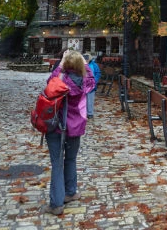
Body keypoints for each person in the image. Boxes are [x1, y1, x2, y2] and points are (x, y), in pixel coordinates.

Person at [44, 50, 95, 216]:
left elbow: (50, 85)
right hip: (75, 126)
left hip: (56, 125)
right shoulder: (85, 81)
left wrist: (61, 63)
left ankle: (56, 204)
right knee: (71, 159)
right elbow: (92, 80)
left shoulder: (60, 78)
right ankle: (70, 192)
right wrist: (84, 62)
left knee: (57, 163)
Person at [83, 53, 101, 118]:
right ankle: (83, 112)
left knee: (90, 99)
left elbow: (98, 73)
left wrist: (94, 81)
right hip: (83, 85)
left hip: (91, 85)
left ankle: (90, 113)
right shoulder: (81, 65)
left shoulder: (94, 65)